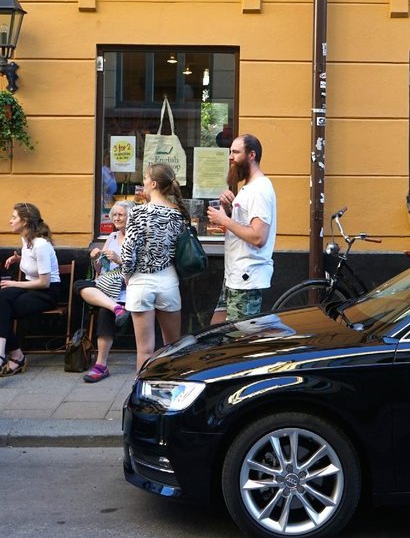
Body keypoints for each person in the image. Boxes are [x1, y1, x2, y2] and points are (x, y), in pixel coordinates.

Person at [91, 164, 188, 378]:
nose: (142, 182)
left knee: (144, 350)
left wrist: (127, 277)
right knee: (172, 346)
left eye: (145, 178)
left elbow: (129, 253)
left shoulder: (138, 213)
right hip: (168, 279)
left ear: (153, 184)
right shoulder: (178, 213)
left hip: (141, 281)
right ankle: (171, 393)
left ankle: (144, 395)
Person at [208, 134, 276, 324]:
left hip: (246, 277)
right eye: (230, 152)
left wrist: (224, 220)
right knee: (215, 330)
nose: (230, 157)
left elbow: (258, 236)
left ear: (251, 155)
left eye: (236, 152)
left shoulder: (260, 189)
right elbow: (243, 226)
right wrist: (228, 210)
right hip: (235, 275)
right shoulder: (248, 188)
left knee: (240, 339)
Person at [0, 203, 62, 377]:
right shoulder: (26, 240)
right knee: (0, 298)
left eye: (14, 217)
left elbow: (44, 282)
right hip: (31, 288)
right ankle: (1, 355)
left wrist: (15, 284)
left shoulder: (41, 244)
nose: (10, 221)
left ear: (25, 221)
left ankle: (13, 355)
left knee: (2, 309)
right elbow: (35, 262)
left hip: (47, 292)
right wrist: (19, 259)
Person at [74, 200, 130, 381]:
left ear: (131, 216)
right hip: (108, 288)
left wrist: (119, 259)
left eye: (120, 214)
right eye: (114, 215)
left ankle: (101, 365)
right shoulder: (112, 237)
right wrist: (97, 259)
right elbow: (100, 271)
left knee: (105, 311)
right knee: (79, 284)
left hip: (127, 289)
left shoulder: (136, 237)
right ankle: (116, 308)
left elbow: (139, 266)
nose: (116, 218)